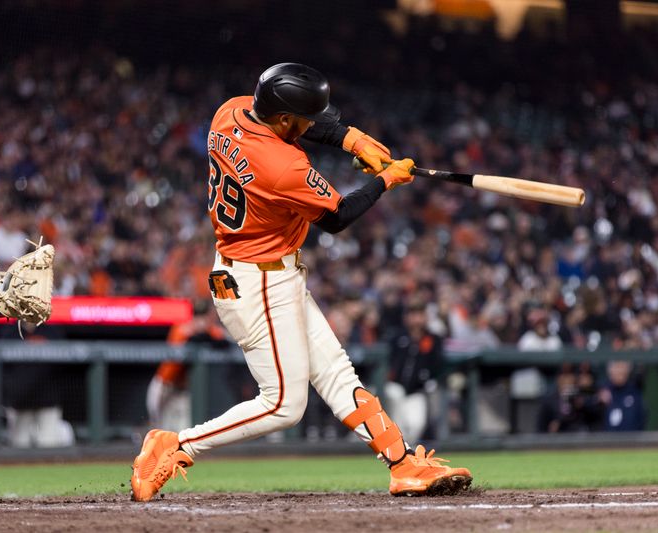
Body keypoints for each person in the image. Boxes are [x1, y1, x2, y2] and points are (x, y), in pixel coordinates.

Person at [130, 63, 471, 501]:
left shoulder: (229, 111)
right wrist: (387, 180)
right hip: (258, 284)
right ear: (286, 119)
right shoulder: (283, 165)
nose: (311, 124)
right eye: (303, 118)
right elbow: (338, 218)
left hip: (260, 270)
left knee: (334, 371)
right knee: (283, 404)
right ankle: (176, 445)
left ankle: (403, 465)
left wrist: (352, 138)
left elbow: (303, 125)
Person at [384, 299, 445, 443]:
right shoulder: (397, 337)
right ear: (407, 317)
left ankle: (405, 453)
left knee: (416, 424)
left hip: (417, 392)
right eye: (413, 314)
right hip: (395, 387)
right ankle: (397, 449)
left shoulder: (433, 339)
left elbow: (438, 364)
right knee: (394, 396)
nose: (416, 319)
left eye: (419, 314)